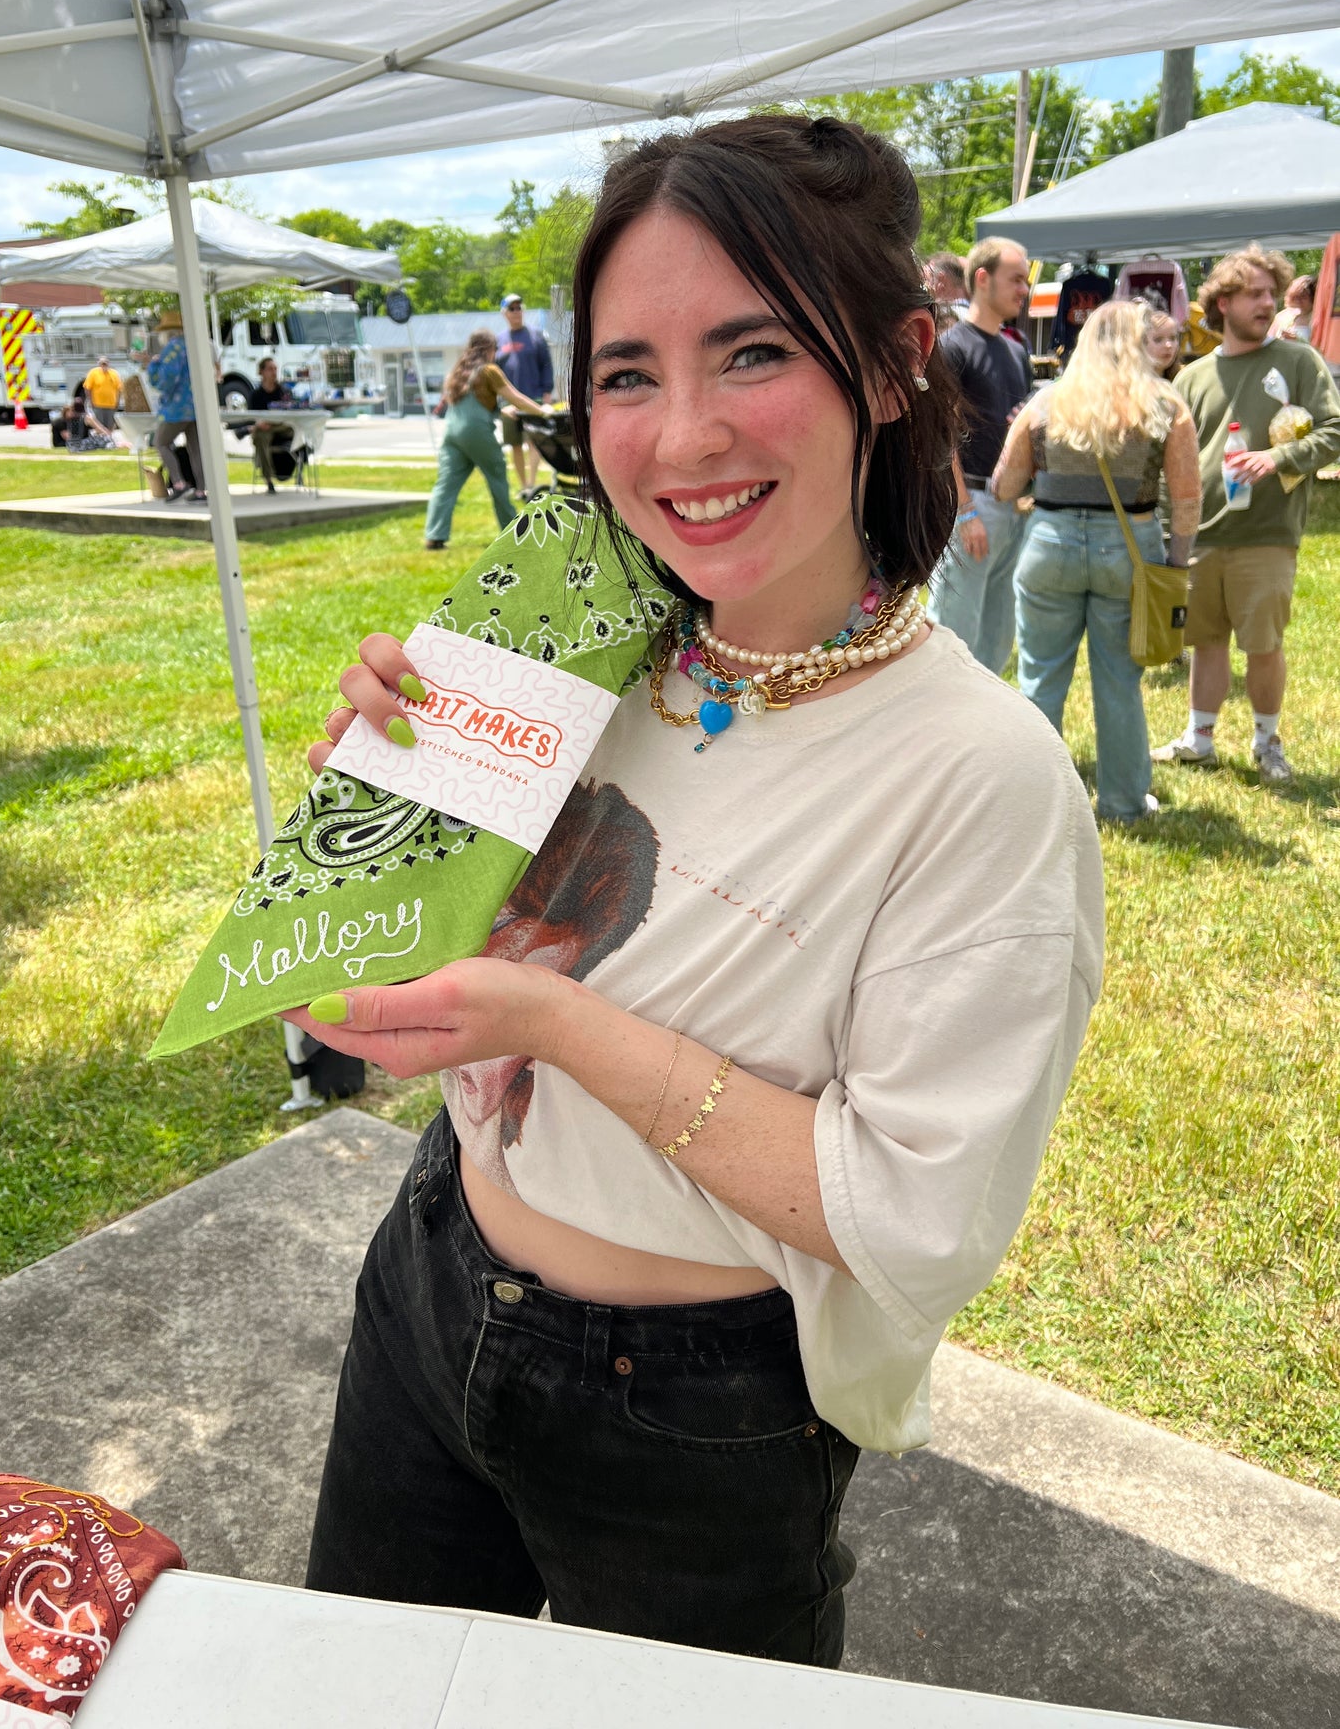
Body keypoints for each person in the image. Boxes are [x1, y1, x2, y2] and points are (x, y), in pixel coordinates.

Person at [290, 115, 1103, 1666]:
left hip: (695, 1413)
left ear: (890, 364)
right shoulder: (569, 646)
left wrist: (555, 1019)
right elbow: (403, 949)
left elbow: (914, 1218)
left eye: (749, 354)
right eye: (624, 373)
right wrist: (384, 799)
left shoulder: (977, 775)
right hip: (431, 1275)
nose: (679, 438)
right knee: (356, 1692)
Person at [991, 301, 1201, 824]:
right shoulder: (1166, 405)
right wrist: (1175, 565)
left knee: (1039, 680)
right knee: (1119, 682)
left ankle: (1035, 804)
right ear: (1137, 343)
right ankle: (1124, 804)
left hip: (1049, 544)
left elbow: (1003, 485)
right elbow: (1187, 496)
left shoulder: (1045, 403)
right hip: (1130, 547)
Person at [1152, 245, 1340, 785]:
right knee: (1205, 641)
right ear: (1224, 302)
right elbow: (1172, 463)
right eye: (1255, 294)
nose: (1268, 303)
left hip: (1266, 535)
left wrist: (1277, 457)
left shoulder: (1298, 361)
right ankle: (1199, 738)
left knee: (1263, 643)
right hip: (1200, 538)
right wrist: (1169, 536)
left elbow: (1332, 430)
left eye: (1271, 294)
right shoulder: (1191, 378)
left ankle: (1267, 742)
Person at [925, 237, 1034, 674]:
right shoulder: (952, 347)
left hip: (1014, 509)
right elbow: (940, 434)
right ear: (983, 279)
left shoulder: (1016, 350)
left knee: (996, 638)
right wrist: (965, 513)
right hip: (971, 505)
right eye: (1017, 279)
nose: (1024, 289)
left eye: (1025, 281)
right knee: (952, 635)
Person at [423, 331, 550, 550]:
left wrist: (501, 411)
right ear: (489, 349)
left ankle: (434, 535)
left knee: (446, 484)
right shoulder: (489, 370)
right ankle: (513, 533)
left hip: (452, 434)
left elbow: (472, 407)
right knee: (497, 476)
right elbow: (515, 396)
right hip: (475, 433)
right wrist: (542, 411)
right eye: (495, 349)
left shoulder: (458, 372)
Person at [496, 293, 555, 498]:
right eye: (512, 308)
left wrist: (547, 393)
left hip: (534, 400)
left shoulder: (536, 336)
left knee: (534, 442)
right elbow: (496, 375)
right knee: (515, 444)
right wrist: (502, 403)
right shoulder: (499, 340)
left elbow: (546, 365)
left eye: (519, 307)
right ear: (504, 313)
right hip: (509, 405)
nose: (516, 312)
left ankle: (532, 483)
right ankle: (523, 486)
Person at [146, 308, 205, 501]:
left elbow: (166, 379)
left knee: (161, 442)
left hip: (176, 408)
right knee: (195, 449)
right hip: (196, 405)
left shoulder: (173, 348)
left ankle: (178, 482)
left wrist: (153, 365)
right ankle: (201, 490)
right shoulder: (193, 346)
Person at [247, 357, 300, 493]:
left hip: (284, 428)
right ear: (261, 372)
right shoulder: (256, 395)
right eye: (270, 369)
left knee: (260, 431)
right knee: (259, 436)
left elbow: (291, 413)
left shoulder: (284, 392)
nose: (274, 372)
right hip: (265, 430)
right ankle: (268, 480)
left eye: (275, 369)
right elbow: (252, 416)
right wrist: (258, 424)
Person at [923, 251, 968, 331]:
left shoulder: (944, 320)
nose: (925, 286)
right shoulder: (980, 317)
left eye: (927, 279)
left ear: (941, 280)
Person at [83, 355, 123, 438]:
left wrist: (118, 402)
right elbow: (87, 388)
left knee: (110, 425)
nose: (104, 365)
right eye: (102, 364)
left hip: (111, 405)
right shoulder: (93, 373)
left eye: (105, 363)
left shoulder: (114, 374)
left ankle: (108, 441)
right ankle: (100, 441)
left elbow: (119, 389)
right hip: (98, 404)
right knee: (99, 426)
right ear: (99, 364)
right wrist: (91, 400)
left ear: (108, 364)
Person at [1270, 274, 1315, 345]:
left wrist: (1298, 340)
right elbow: (1270, 339)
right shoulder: (1282, 317)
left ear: (1313, 297)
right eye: (1295, 297)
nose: (1298, 301)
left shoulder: (1319, 318)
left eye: (1303, 297)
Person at [1142, 310, 1182, 382]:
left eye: (1172, 338)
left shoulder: (1183, 377)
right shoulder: (1128, 385)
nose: (1168, 345)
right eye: (1158, 340)